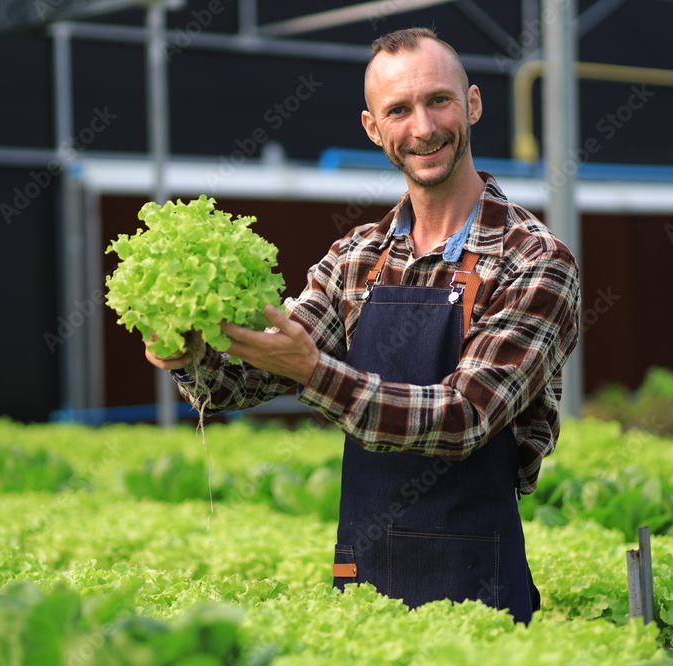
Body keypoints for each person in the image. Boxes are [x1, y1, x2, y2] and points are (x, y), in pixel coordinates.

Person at [145, 27, 580, 624]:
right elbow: (240, 383)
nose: (423, 127)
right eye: (398, 110)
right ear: (374, 129)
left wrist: (313, 372)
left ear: (473, 104)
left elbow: (464, 418)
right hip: (362, 577)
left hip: (478, 585)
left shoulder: (534, 259)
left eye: (439, 101)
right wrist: (193, 352)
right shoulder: (357, 257)